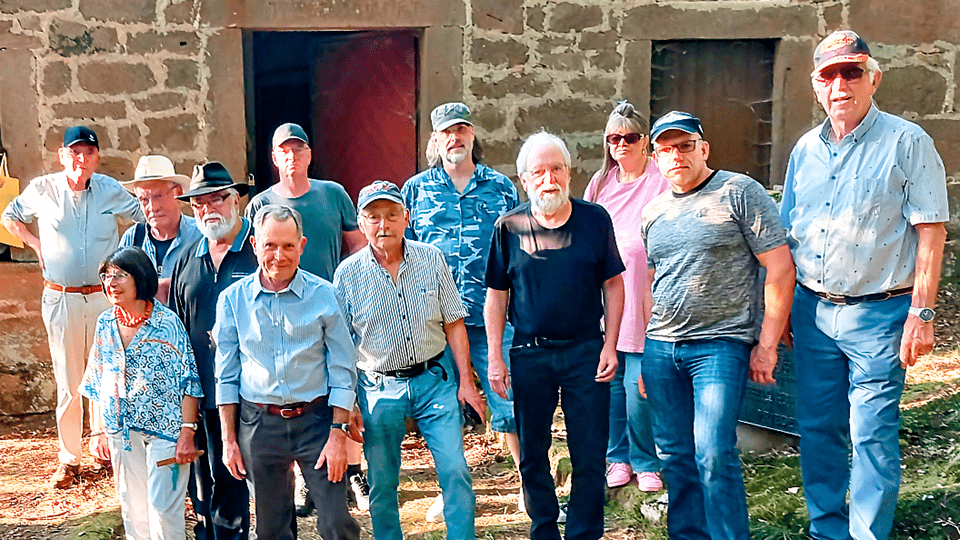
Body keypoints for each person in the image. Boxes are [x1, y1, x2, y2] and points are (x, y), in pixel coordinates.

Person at [780, 31, 949, 540]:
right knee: (817, 431)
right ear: (815, 86)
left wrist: (922, 313)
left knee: (871, 435)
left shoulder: (907, 141)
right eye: (829, 75)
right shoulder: (804, 150)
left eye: (851, 72)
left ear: (874, 78)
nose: (840, 84)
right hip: (812, 314)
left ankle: (866, 535)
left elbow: (931, 232)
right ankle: (825, 529)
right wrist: (783, 311)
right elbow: (791, 233)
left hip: (880, 315)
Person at [640, 111, 795, 540]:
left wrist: (766, 344)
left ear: (703, 148)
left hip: (720, 345)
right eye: (666, 149)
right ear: (655, 158)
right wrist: (648, 351)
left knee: (712, 452)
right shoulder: (653, 212)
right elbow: (655, 282)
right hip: (661, 350)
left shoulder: (739, 192)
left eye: (685, 145)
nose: (676, 155)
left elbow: (780, 268)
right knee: (675, 456)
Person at [485, 131, 624, 540]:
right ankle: (544, 527)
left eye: (557, 169)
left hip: (586, 351)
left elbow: (614, 286)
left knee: (589, 454)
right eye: (539, 172)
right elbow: (496, 295)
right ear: (524, 179)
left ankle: (584, 533)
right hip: (530, 354)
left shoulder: (595, 220)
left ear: (569, 174)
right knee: (531, 454)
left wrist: (611, 345)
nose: (550, 179)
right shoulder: (508, 228)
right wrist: (495, 358)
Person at [333, 180, 486, 540]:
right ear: (361, 222)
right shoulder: (347, 275)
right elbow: (341, 346)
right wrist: (350, 401)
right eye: (372, 217)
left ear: (407, 218)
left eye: (390, 216)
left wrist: (466, 381)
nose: (382, 225)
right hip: (377, 384)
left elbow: (454, 321)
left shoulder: (431, 259)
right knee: (383, 483)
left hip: (434, 379)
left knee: (455, 470)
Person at [1, 126, 144, 488]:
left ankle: (106, 451)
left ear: (97, 157)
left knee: (108, 374)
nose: (82, 160)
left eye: (89, 153)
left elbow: (143, 218)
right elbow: (9, 216)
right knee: (68, 380)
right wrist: (34, 244)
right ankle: (70, 460)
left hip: (103, 296)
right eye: (75, 153)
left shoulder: (110, 188)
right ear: (63, 156)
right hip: (60, 296)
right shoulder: (43, 189)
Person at [401, 102, 523, 519]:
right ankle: (450, 489)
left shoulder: (501, 187)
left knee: (508, 401)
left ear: (473, 135)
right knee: (443, 411)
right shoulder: (415, 191)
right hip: (436, 322)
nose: (455, 138)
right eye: (446, 132)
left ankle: (529, 485)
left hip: (492, 316)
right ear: (435, 140)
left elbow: (517, 249)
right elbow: (407, 254)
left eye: (462, 130)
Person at [215, 205, 361, 540]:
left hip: (317, 423)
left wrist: (338, 434)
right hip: (260, 425)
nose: (279, 256)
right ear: (254, 244)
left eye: (288, 246)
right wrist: (229, 439)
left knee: (336, 522)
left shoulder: (325, 295)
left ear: (302, 245)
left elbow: (342, 367)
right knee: (271, 529)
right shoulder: (232, 301)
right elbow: (226, 374)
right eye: (270, 245)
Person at [244, 122, 369, 515]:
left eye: (299, 149)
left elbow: (357, 247)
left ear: (309, 155)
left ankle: (353, 470)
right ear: (275, 157)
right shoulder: (260, 204)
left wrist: (351, 295)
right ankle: (302, 481)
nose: (292, 156)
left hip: (330, 306)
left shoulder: (332, 194)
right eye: (285, 150)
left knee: (342, 384)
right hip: (280, 313)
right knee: (294, 392)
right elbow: (255, 258)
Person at [80, 246, 202, 540]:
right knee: (133, 512)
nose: (112, 282)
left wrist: (188, 432)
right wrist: (98, 432)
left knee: (163, 511)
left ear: (141, 278)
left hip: (166, 434)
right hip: (121, 432)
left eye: (121, 275)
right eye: (107, 275)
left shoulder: (168, 323)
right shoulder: (105, 323)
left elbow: (190, 382)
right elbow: (96, 379)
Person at [168, 162, 255, 540]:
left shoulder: (258, 249)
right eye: (199, 204)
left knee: (259, 483)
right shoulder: (188, 257)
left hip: (253, 392)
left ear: (235, 200)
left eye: (217, 199)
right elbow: (178, 327)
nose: (208, 210)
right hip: (203, 391)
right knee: (207, 486)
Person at [584, 101, 668, 492]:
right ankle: (617, 457)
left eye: (630, 137)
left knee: (641, 390)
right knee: (612, 387)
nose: (621, 145)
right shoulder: (599, 184)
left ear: (645, 141)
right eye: (613, 138)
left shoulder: (660, 179)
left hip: (646, 299)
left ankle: (646, 459)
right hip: (606, 303)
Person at [119, 155, 201, 304]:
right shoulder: (132, 238)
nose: (152, 207)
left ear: (178, 192)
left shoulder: (200, 236)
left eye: (158, 196)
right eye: (144, 200)